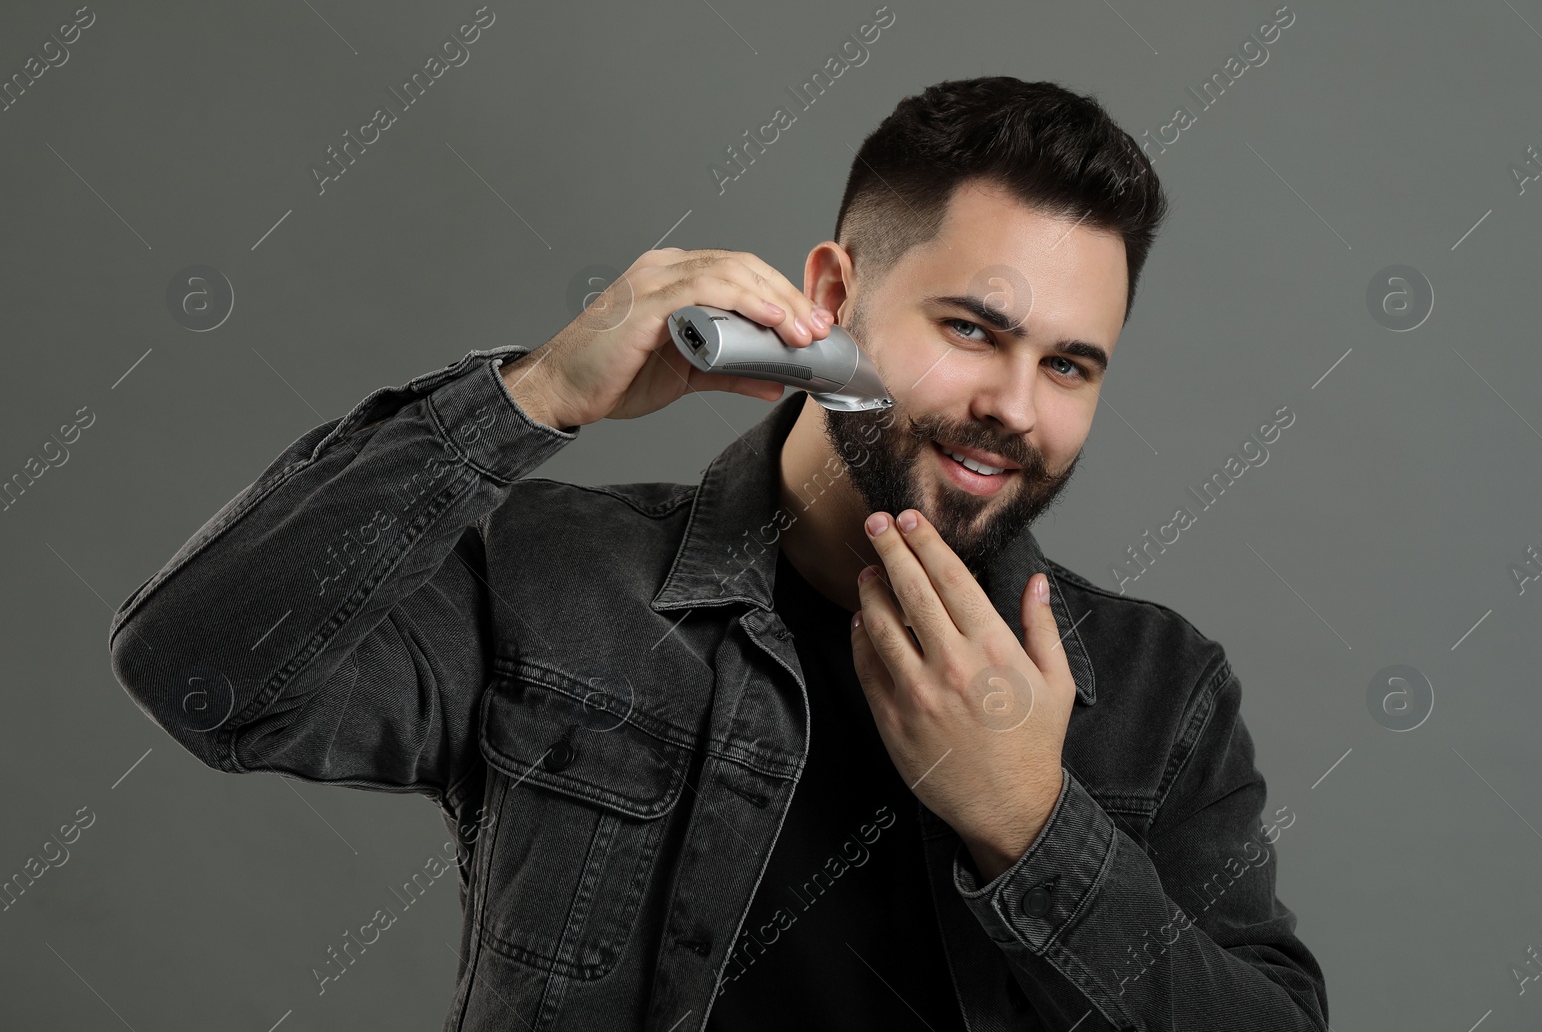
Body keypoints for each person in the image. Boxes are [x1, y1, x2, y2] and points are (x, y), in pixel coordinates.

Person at [109, 76, 1329, 1031]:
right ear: (832, 294)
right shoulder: (556, 578)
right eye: (971, 328)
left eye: (1070, 364)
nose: (1016, 404)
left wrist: (1029, 823)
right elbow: (199, 670)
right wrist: (531, 398)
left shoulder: (1158, 690)